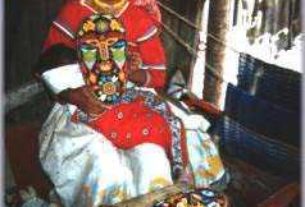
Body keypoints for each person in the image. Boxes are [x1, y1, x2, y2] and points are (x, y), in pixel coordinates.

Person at [35, 0, 227, 206]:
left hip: (132, 95)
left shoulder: (139, 17)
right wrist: (74, 96)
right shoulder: (73, 10)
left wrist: (132, 73)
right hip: (76, 99)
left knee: (177, 137)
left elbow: (157, 76)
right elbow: (49, 68)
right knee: (101, 164)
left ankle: (178, 195)